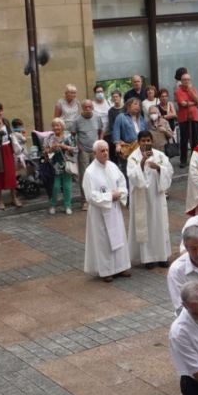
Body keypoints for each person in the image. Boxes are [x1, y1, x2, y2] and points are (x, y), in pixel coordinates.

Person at [82, 141, 130, 282]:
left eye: (107, 150)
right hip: (100, 213)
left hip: (114, 210)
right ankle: (106, 270)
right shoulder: (90, 172)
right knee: (103, 240)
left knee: (118, 236)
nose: (105, 153)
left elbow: (122, 183)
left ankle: (121, 267)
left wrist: (120, 193)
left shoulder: (113, 166)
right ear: (95, 153)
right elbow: (90, 195)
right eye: (102, 151)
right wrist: (109, 196)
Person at [127, 130, 172, 268]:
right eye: (143, 141)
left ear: (151, 141)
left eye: (148, 140)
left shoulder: (160, 155)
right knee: (145, 227)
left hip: (157, 197)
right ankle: (148, 259)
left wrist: (158, 167)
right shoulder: (133, 157)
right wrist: (142, 162)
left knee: (159, 225)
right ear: (139, 142)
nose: (146, 143)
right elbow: (132, 176)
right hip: (142, 198)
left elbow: (169, 170)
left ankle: (162, 256)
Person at [72, 99, 105, 211]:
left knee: (98, 173)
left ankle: (98, 197)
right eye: (85, 107)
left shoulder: (97, 117)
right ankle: (84, 201)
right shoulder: (77, 120)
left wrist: (100, 143)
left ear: (92, 107)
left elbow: (101, 130)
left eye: (89, 107)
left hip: (96, 149)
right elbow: (73, 134)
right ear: (82, 108)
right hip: (84, 151)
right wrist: (78, 146)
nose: (87, 109)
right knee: (85, 175)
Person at [0, 103, 22, 209]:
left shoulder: (6, 121)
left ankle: (14, 197)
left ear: (2, 111)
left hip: (8, 149)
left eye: (0, 111)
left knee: (11, 174)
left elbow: (10, 135)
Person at [45, 117, 78, 215]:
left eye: (58, 125)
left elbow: (75, 149)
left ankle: (67, 206)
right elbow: (45, 151)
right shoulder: (50, 138)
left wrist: (65, 147)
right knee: (55, 187)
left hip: (66, 164)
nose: (56, 128)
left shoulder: (68, 136)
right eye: (54, 126)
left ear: (62, 126)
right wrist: (51, 149)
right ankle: (52, 205)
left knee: (67, 187)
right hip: (54, 165)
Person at [175, 71, 198, 167]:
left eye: (188, 79)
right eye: (184, 80)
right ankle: (183, 160)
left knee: (195, 139)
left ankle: (194, 159)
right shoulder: (178, 91)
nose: (186, 81)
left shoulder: (193, 89)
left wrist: (190, 92)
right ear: (181, 81)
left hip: (195, 116)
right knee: (184, 139)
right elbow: (182, 104)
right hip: (183, 118)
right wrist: (194, 103)